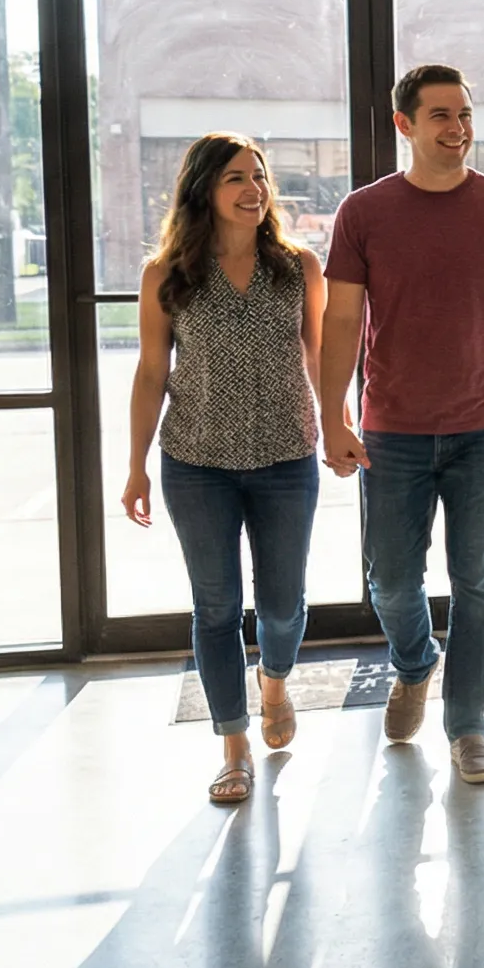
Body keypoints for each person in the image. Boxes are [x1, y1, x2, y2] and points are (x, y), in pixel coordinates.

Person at [319, 63, 484, 787]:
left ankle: (469, 728)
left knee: (479, 584)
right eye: (440, 117)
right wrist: (333, 412)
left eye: (464, 114)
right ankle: (414, 663)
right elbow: (341, 319)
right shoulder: (363, 213)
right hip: (392, 428)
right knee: (391, 581)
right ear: (405, 125)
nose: (458, 130)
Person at [121, 133, 328, 805]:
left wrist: (342, 425)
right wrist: (135, 466)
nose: (253, 190)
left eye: (260, 176)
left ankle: (274, 679)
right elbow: (153, 372)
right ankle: (233, 747)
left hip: (287, 458)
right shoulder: (167, 275)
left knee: (281, 604)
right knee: (215, 609)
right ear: (203, 188)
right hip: (196, 463)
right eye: (236, 177)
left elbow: (322, 358)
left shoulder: (299, 267)